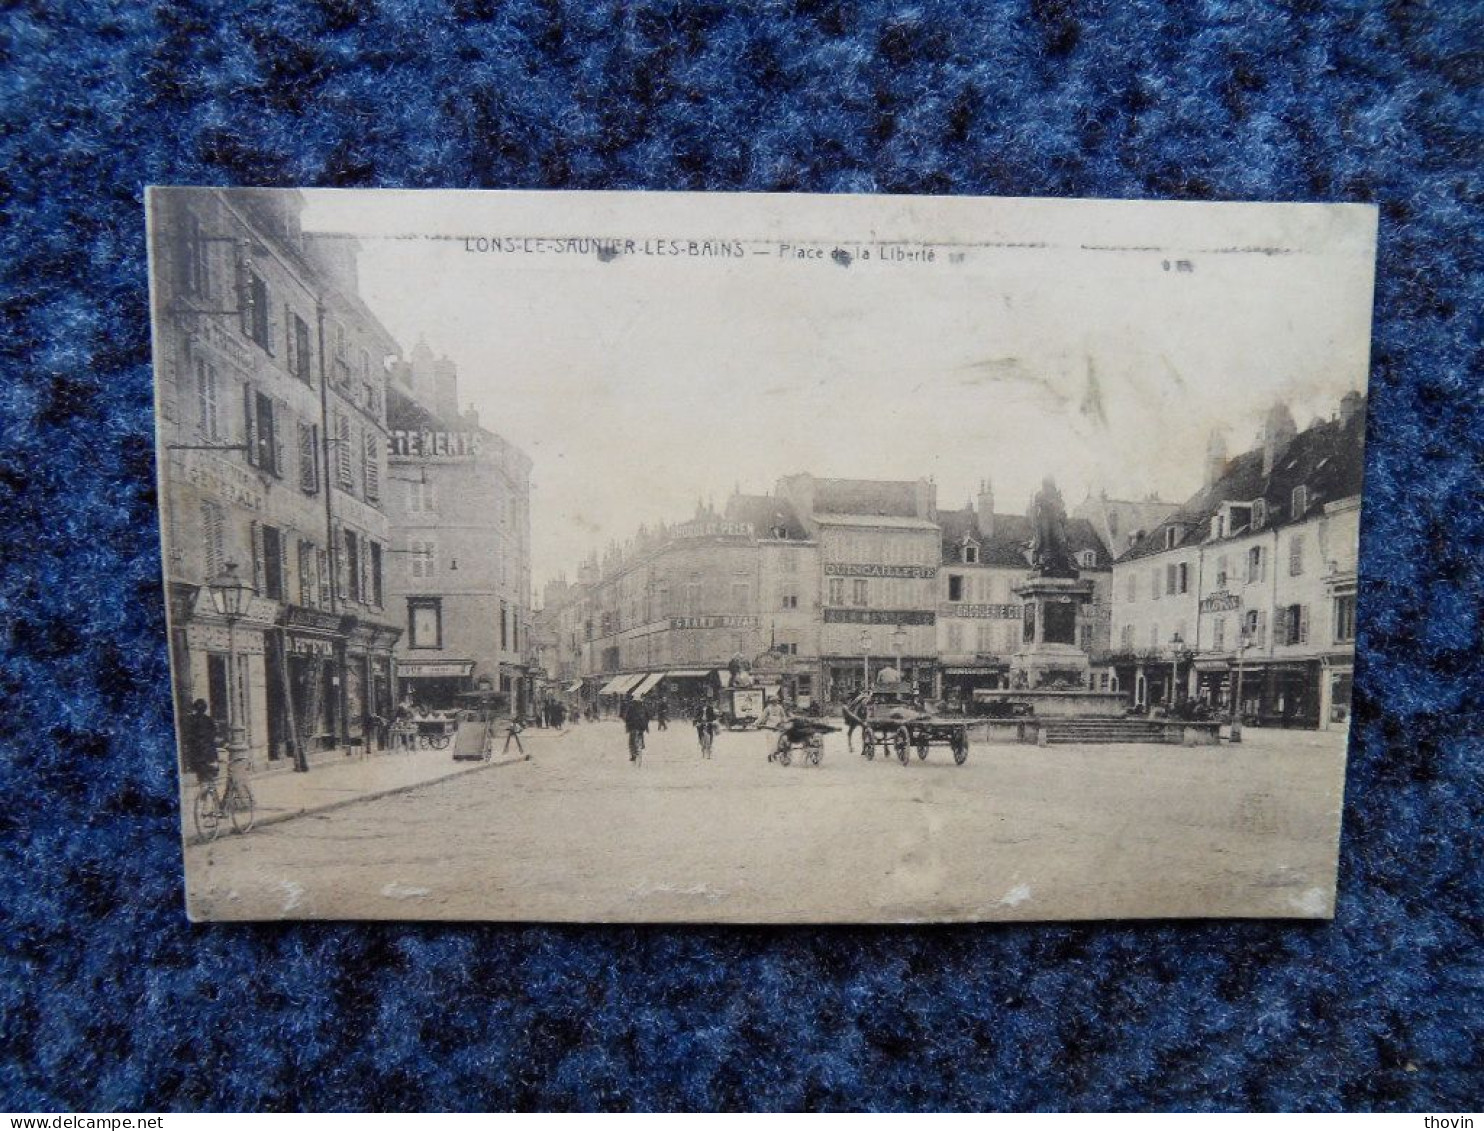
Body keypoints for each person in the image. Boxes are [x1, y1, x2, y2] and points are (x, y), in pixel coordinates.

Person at [184, 698, 220, 786]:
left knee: (201, 778)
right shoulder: (208, 720)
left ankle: (203, 796)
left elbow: (188, 736)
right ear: (205, 708)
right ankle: (204, 796)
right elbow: (214, 734)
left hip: (197, 753)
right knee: (209, 779)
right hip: (209, 753)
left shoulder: (191, 720)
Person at [624, 695, 650, 761]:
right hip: (642, 726)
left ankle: (633, 754)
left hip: (633, 726)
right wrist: (646, 726)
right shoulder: (644, 707)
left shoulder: (631, 707)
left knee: (631, 741)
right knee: (640, 733)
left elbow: (627, 717)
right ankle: (642, 744)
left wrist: (627, 726)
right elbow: (648, 716)